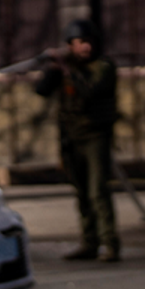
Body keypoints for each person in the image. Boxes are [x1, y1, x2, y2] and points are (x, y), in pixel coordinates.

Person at [34, 19, 121, 262]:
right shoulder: (66, 69)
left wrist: (67, 68)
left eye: (88, 41)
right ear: (70, 45)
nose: (85, 47)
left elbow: (90, 90)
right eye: (79, 42)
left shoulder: (103, 67)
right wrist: (53, 68)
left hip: (95, 137)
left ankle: (110, 243)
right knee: (81, 192)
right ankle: (89, 242)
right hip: (71, 139)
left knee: (97, 192)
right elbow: (41, 90)